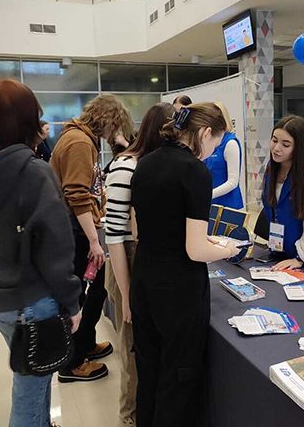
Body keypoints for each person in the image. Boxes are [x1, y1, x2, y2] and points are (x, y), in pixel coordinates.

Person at [0, 79, 82, 427]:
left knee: (37, 370)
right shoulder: (34, 172)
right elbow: (55, 248)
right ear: (28, 121)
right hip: (32, 303)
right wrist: (72, 302)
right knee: (29, 391)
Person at [131, 103, 240, 426]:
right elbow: (195, 250)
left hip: (144, 279)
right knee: (178, 378)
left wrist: (203, 242)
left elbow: (144, 229)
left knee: (149, 371)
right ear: (205, 133)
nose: (212, 153)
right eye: (215, 145)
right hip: (178, 290)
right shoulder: (195, 171)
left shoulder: (145, 162)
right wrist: (228, 249)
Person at [50, 93, 134, 383]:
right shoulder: (79, 142)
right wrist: (94, 241)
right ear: (108, 120)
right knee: (79, 293)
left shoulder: (82, 138)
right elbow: (76, 194)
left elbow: (88, 188)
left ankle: (85, 343)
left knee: (97, 287)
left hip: (79, 225)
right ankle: (71, 364)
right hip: (74, 229)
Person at [104, 102, 176, 427]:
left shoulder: (153, 165)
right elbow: (114, 236)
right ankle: (129, 416)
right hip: (128, 262)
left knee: (146, 350)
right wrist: (127, 292)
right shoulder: (126, 166)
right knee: (132, 349)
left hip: (147, 262)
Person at [262, 115, 304, 272]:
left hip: (303, 260)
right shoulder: (272, 168)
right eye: (274, 140)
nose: (276, 148)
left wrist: (300, 258)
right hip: (280, 253)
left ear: (299, 147)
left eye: (285, 144)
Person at [204, 102, 243, 209]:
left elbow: (233, 181)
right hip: (209, 203)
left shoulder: (230, 143)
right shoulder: (207, 141)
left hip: (227, 205)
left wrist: (207, 195)